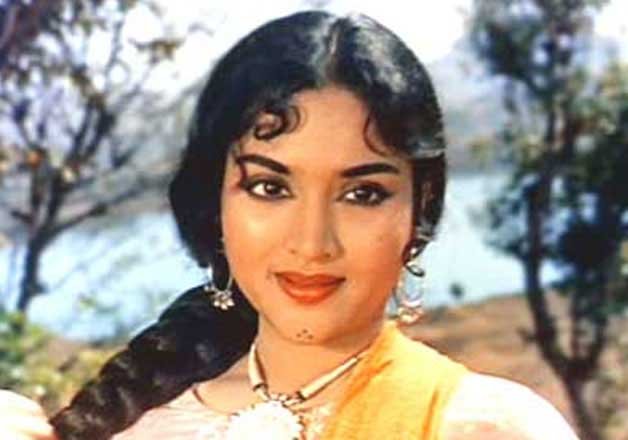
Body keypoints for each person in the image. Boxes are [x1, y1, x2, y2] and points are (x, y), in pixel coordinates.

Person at [0, 10, 580, 440]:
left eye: (362, 193)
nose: (311, 242)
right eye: (270, 188)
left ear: (418, 209)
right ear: (216, 203)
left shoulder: (486, 427)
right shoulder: (144, 426)